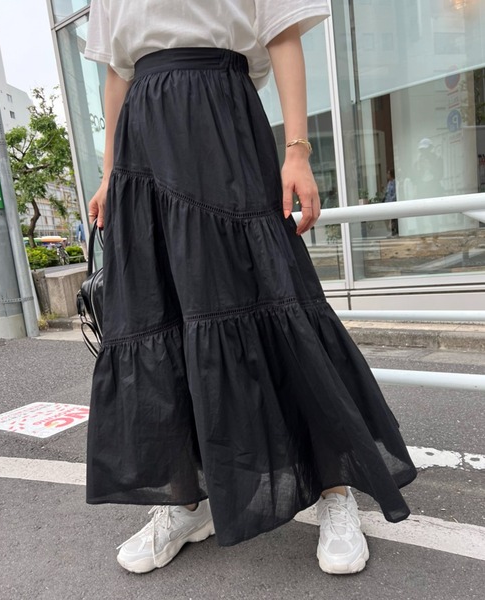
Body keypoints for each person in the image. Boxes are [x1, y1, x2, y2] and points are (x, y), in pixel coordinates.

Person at [84, 0, 417, 576]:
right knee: (162, 312)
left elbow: (283, 36)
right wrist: (111, 172)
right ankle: (185, 501)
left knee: (274, 294)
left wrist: (298, 151)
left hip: (223, 120)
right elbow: (118, 71)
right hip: (143, 145)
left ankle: (335, 488)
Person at [384, 169, 398, 236]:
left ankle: (394, 230)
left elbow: (395, 193)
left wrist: (392, 200)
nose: (387, 175)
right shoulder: (389, 183)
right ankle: (390, 230)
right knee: (388, 217)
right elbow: (387, 193)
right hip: (388, 203)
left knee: (393, 217)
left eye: (388, 174)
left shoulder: (395, 182)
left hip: (393, 202)